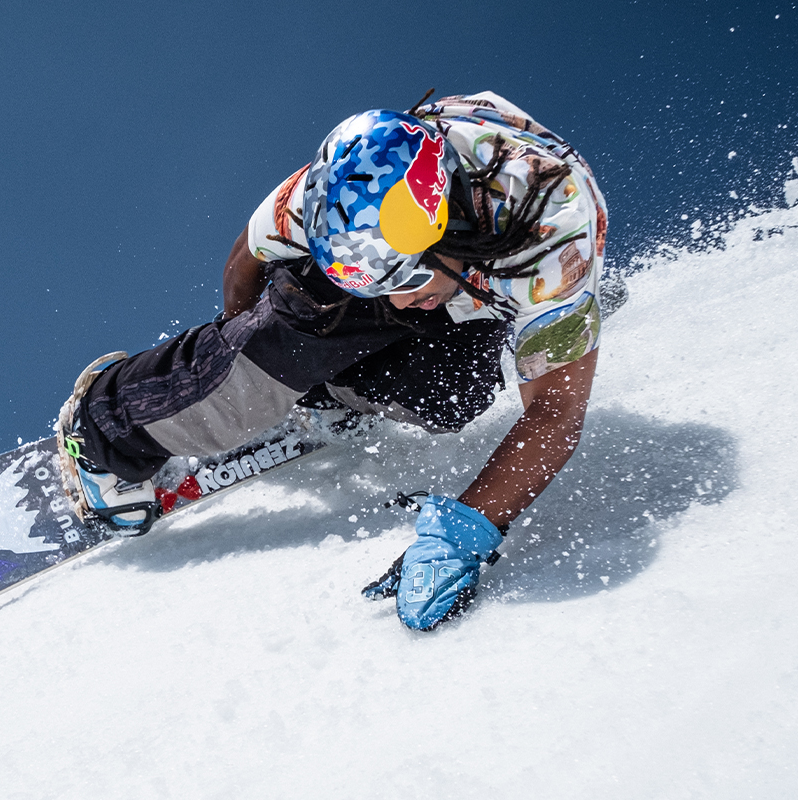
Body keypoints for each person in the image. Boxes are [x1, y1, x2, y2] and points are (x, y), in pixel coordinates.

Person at [56, 91, 608, 631]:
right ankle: (106, 427)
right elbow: (248, 255)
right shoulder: (343, 189)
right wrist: (236, 356)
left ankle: (333, 390)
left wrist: (463, 536)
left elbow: (556, 411)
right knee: (305, 315)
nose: (396, 299)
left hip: (488, 283)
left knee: (452, 398)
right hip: (445, 270)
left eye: (406, 279)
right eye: (382, 284)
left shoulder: (554, 256)